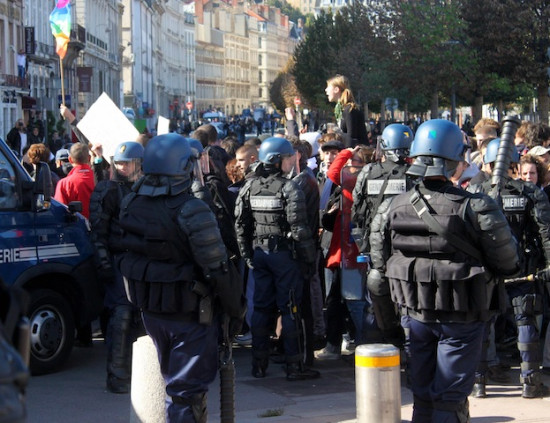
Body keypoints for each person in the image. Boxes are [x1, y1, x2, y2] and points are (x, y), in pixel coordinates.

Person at [369, 119, 519, 422]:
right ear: (454, 163)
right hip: (461, 318)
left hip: (415, 315)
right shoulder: (477, 207)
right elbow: (508, 263)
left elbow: (378, 275)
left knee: (423, 395)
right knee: (449, 398)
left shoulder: (391, 207)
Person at [116, 133, 245, 422]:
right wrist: (236, 308)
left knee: (178, 390)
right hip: (190, 315)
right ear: (182, 167)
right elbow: (218, 268)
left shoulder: (131, 203)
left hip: (152, 311)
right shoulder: (191, 208)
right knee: (187, 395)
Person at [469, 136, 550, 398]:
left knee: (484, 323)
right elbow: (546, 234)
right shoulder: (531, 193)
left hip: (488, 272)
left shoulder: (476, 193)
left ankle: (479, 383)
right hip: (522, 269)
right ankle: (530, 382)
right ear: (515, 164)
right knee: (526, 322)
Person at [234, 137, 319, 381]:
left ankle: (258, 365)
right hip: (285, 256)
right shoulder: (289, 188)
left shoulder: (249, 187)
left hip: (260, 255)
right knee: (290, 309)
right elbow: (300, 229)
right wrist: (308, 259)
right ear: (276, 160)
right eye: (286, 158)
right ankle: (294, 367)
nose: (290, 162)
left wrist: (248, 256)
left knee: (261, 308)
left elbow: (240, 226)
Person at [351, 123, 415, 348]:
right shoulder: (413, 175)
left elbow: (357, 211)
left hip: (373, 248)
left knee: (374, 302)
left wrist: (364, 243)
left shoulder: (368, 172)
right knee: (407, 301)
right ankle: (407, 350)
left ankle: (371, 348)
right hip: (404, 247)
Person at [89, 141, 145, 394]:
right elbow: (99, 231)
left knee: (146, 318)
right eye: (119, 163)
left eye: (127, 163)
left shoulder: (149, 188)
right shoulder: (108, 191)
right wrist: (103, 260)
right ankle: (118, 376)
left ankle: (145, 373)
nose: (122, 167)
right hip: (119, 260)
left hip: (145, 261)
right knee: (121, 316)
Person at [53, 143, 95, 219]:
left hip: (76, 227)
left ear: (70, 159)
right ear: (89, 158)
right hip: (100, 227)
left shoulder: (64, 183)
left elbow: (59, 211)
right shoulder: (99, 178)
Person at [325, 74, 367, 148]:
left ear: (336, 90)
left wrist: (336, 131)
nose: (326, 90)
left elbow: (351, 139)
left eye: (328, 87)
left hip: (357, 154)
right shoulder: (342, 109)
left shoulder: (350, 109)